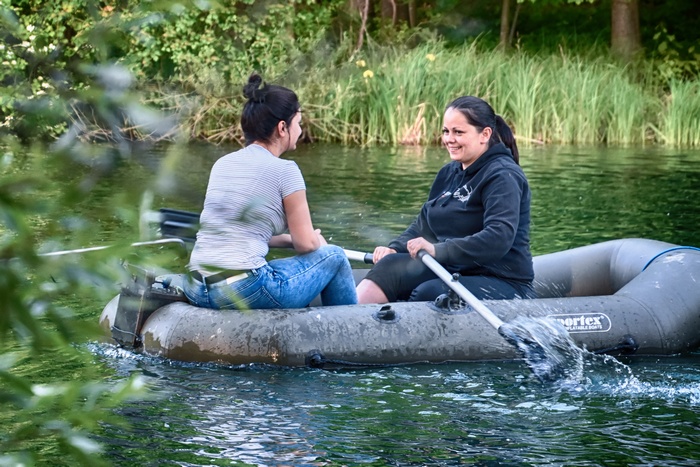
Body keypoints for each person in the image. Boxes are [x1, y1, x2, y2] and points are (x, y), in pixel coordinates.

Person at [183, 73, 357, 310]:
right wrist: (316, 242)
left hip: (197, 286)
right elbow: (306, 245)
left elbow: (240, 229)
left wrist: (289, 239)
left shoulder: (222, 164)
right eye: (299, 122)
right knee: (334, 256)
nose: (301, 129)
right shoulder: (286, 170)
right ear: (282, 127)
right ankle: (348, 333)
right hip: (242, 290)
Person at [356, 96, 535, 304]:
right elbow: (425, 226)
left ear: (485, 134)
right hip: (455, 269)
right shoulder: (449, 172)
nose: (449, 139)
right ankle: (348, 321)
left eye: (458, 132)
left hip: (501, 280)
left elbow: (498, 238)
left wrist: (438, 250)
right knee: (390, 266)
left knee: (428, 293)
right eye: (446, 131)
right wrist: (395, 248)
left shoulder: (503, 175)